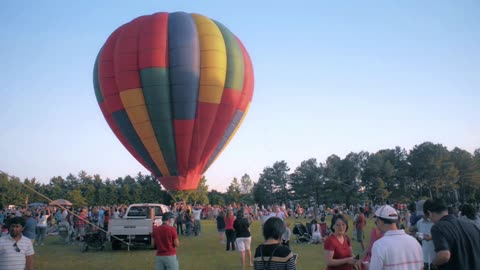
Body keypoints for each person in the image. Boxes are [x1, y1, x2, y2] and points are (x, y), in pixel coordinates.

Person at [424, 199, 480, 270]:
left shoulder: (438, 227)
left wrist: (433, 264)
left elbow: (444, 255)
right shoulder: (472, 225)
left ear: (429, 213)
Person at [369, 205, 423, 270]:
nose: (376, 224)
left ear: (380, 222)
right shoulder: (414, 242)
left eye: (376, 221)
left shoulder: (379, 245)